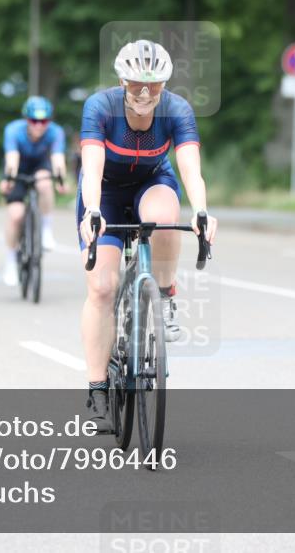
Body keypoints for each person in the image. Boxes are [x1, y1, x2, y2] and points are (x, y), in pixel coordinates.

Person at [77, 39, 218, 430]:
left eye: (153, 84)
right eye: (137, 82)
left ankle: (166, 293)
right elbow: (91, 166)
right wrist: (91, 211)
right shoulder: (100, 107)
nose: (144, 92)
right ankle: (98, 389)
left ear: (165, 85)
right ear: (122, 80)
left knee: (167, 215)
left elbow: (190, 168)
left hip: (152, 181)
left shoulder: (177, 110)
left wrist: (202, 210)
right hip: (103, 191)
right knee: (102, 288)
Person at [0, 96, 68, 286]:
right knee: (15, 215)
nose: (39, 125)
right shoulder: (13, 130)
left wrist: (61, 179)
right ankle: (11, 260)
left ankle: (45, 228)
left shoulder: (56, 132)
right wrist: (8, 180)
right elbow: (12, 159)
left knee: (44, 183)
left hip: (40, 165)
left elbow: (57, 158)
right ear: (26, 119)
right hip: (18, 166)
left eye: (44, 121)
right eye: (34, 121)